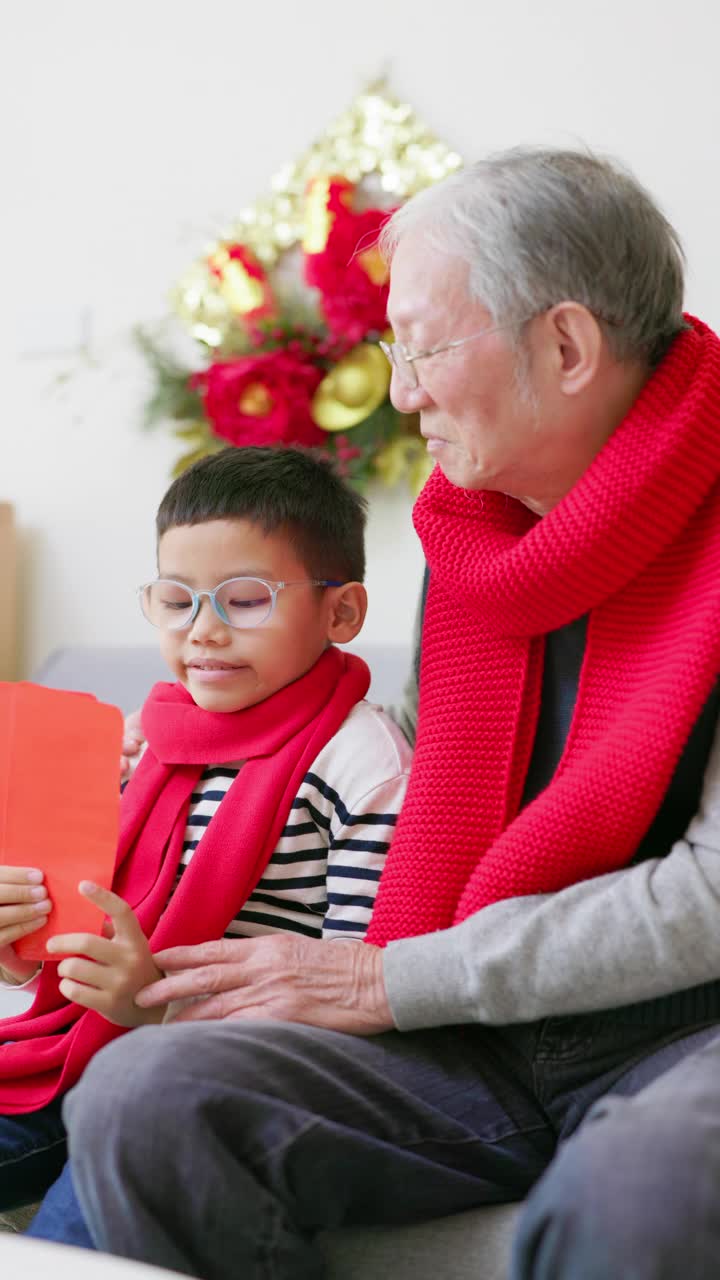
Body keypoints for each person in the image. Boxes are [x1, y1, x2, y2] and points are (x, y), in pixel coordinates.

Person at [61, 147, 720, 1280]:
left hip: (681, 1028)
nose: (402, 389)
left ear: (565, 346)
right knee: (147, 1089)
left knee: (645, 1182)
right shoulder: (470, 530)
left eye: (421, 344)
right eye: (392, 351)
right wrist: (171, 771)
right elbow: (417, 774)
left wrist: (396, 979)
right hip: (477, 1035)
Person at [0, 446, 410, 1242]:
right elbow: (77, 934)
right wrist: (17, 940)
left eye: (246, 599)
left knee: (74, 1236)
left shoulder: (364, 765)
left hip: (218, 1076)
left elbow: (357, 997)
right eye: (176, 600)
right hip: (76, 1050)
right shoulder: (141, 742)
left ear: (342, 613)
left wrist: (154, 1006)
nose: (205, 632)